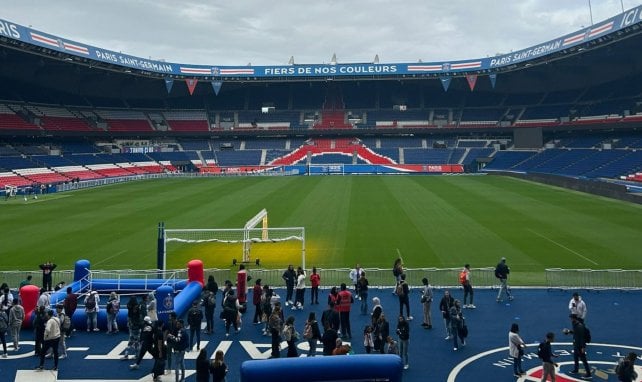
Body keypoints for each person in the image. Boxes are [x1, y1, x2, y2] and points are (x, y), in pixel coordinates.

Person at [564, 314, 592, 379]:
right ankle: (576, 370)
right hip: (576, 344)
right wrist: (569, 331)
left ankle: (588, 374)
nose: (570, 319)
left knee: (583, 360)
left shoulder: (579, 326)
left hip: (579, 345)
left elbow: (581, 337)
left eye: (571, 318)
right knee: (575, 357)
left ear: (574, 318)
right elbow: (576, 333)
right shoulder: (575, 324)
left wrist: (583, 347)